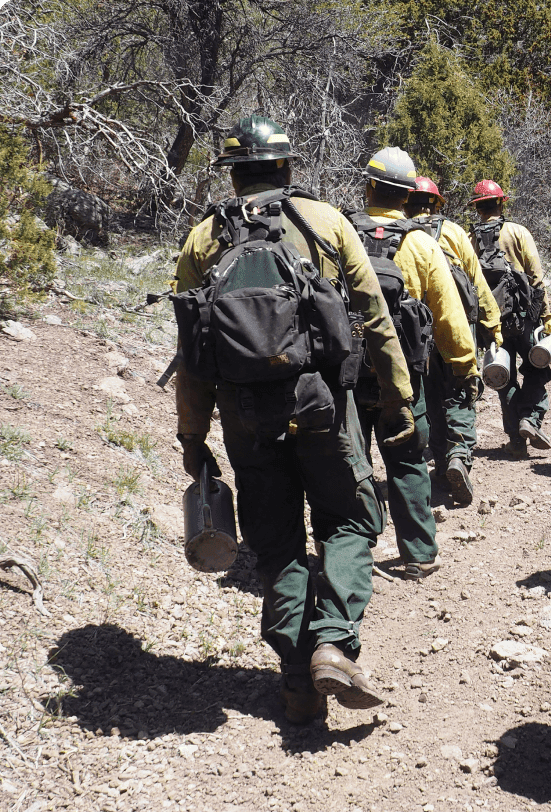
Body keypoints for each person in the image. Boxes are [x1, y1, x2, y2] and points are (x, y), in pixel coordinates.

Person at [172, 115, 413, 723]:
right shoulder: (326, 223)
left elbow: (192, 354)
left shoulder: (204, 240)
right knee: (351, 519)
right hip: (325, 406)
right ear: (286, 166)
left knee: (277, 540)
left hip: (245, 415)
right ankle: (333, 639)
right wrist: (398, 398)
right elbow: (377, 319)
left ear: (232, 174)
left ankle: (295, 681)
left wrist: (192, 435)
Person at [349, 149, 478, 572]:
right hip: (406, 380)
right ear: (408, 196)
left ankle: (354, 548)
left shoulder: (341, 234)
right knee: (407, 460)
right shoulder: (421, 243)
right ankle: (419, 555)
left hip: (348, 374)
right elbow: (448, 314)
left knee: (353, 459)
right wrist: (465, 365)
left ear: (368, 187)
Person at [406, 176, 504, 504]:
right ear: (435, 203)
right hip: (458, 325)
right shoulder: (454, 232)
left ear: (406, 202)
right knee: (460, 393)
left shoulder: (399, 235)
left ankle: (438, 463)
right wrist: (493, 328)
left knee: (431, 398)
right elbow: (477, 283)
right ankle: (459, 455)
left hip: (417, 332)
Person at [469, 179, 551, 458]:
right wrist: (546, 315)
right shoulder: (518, 232)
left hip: (494, 324)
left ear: (478, 208)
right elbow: (536, 276)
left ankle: (516, 442)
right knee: (537, 369)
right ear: (501, 202)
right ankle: (529, 418)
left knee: (502, 377)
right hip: (526, 319)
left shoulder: (472, 240)